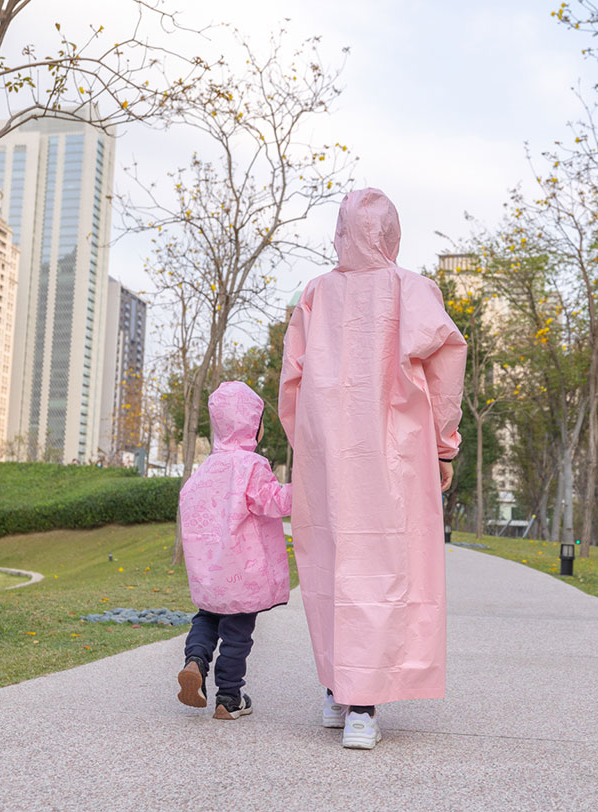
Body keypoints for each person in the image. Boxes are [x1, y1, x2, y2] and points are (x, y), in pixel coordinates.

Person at [279, 188, 466, 750]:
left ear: (340, 231)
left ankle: (342, 692)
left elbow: (293, 380)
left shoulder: (316, 294)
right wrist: (442, 446)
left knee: (333, 562)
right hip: (397, 456)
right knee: (385, 564)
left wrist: (307, 443)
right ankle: (360, 703)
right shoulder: (412, 290)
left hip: (328, 452)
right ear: (392, 233)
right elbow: (446, 367)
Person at [175, 382, 292, 720]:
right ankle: (229, 697)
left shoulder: (206, 469)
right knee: (237, 633)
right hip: (243, 570)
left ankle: (195, 661)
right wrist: (305, 490)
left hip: (210, 569)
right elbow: (272, 501)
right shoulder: (251, 465)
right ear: (253, 424)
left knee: (206, 617)